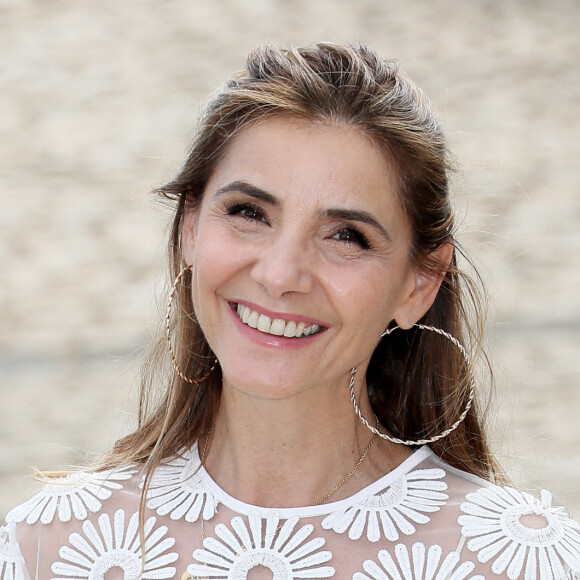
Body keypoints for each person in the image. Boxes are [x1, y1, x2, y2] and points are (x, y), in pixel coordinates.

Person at [1, 42, 579, 580]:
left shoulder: (520, 562)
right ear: (190, 227)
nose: (279, 275)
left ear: (419, 282)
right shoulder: (46, 550)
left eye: (346, 235)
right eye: (250, 213)